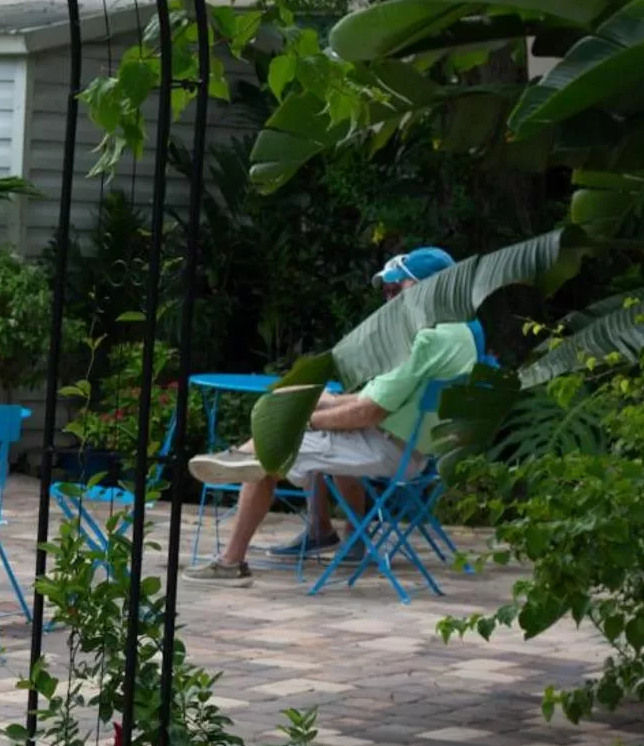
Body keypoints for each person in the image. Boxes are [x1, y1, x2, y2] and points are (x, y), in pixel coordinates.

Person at [181, 247, 480, 586]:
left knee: (273, 451)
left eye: (397, 290)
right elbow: (378, 400)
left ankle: (231, 560)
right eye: (387, 292)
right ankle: (324, 529)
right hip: (413, 447)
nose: (389, 300)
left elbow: (369, 412)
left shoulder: (425, 340)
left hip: (389, 448)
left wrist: (306, 420)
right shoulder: (462, 334)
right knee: (313, 406)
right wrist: (328, 403)